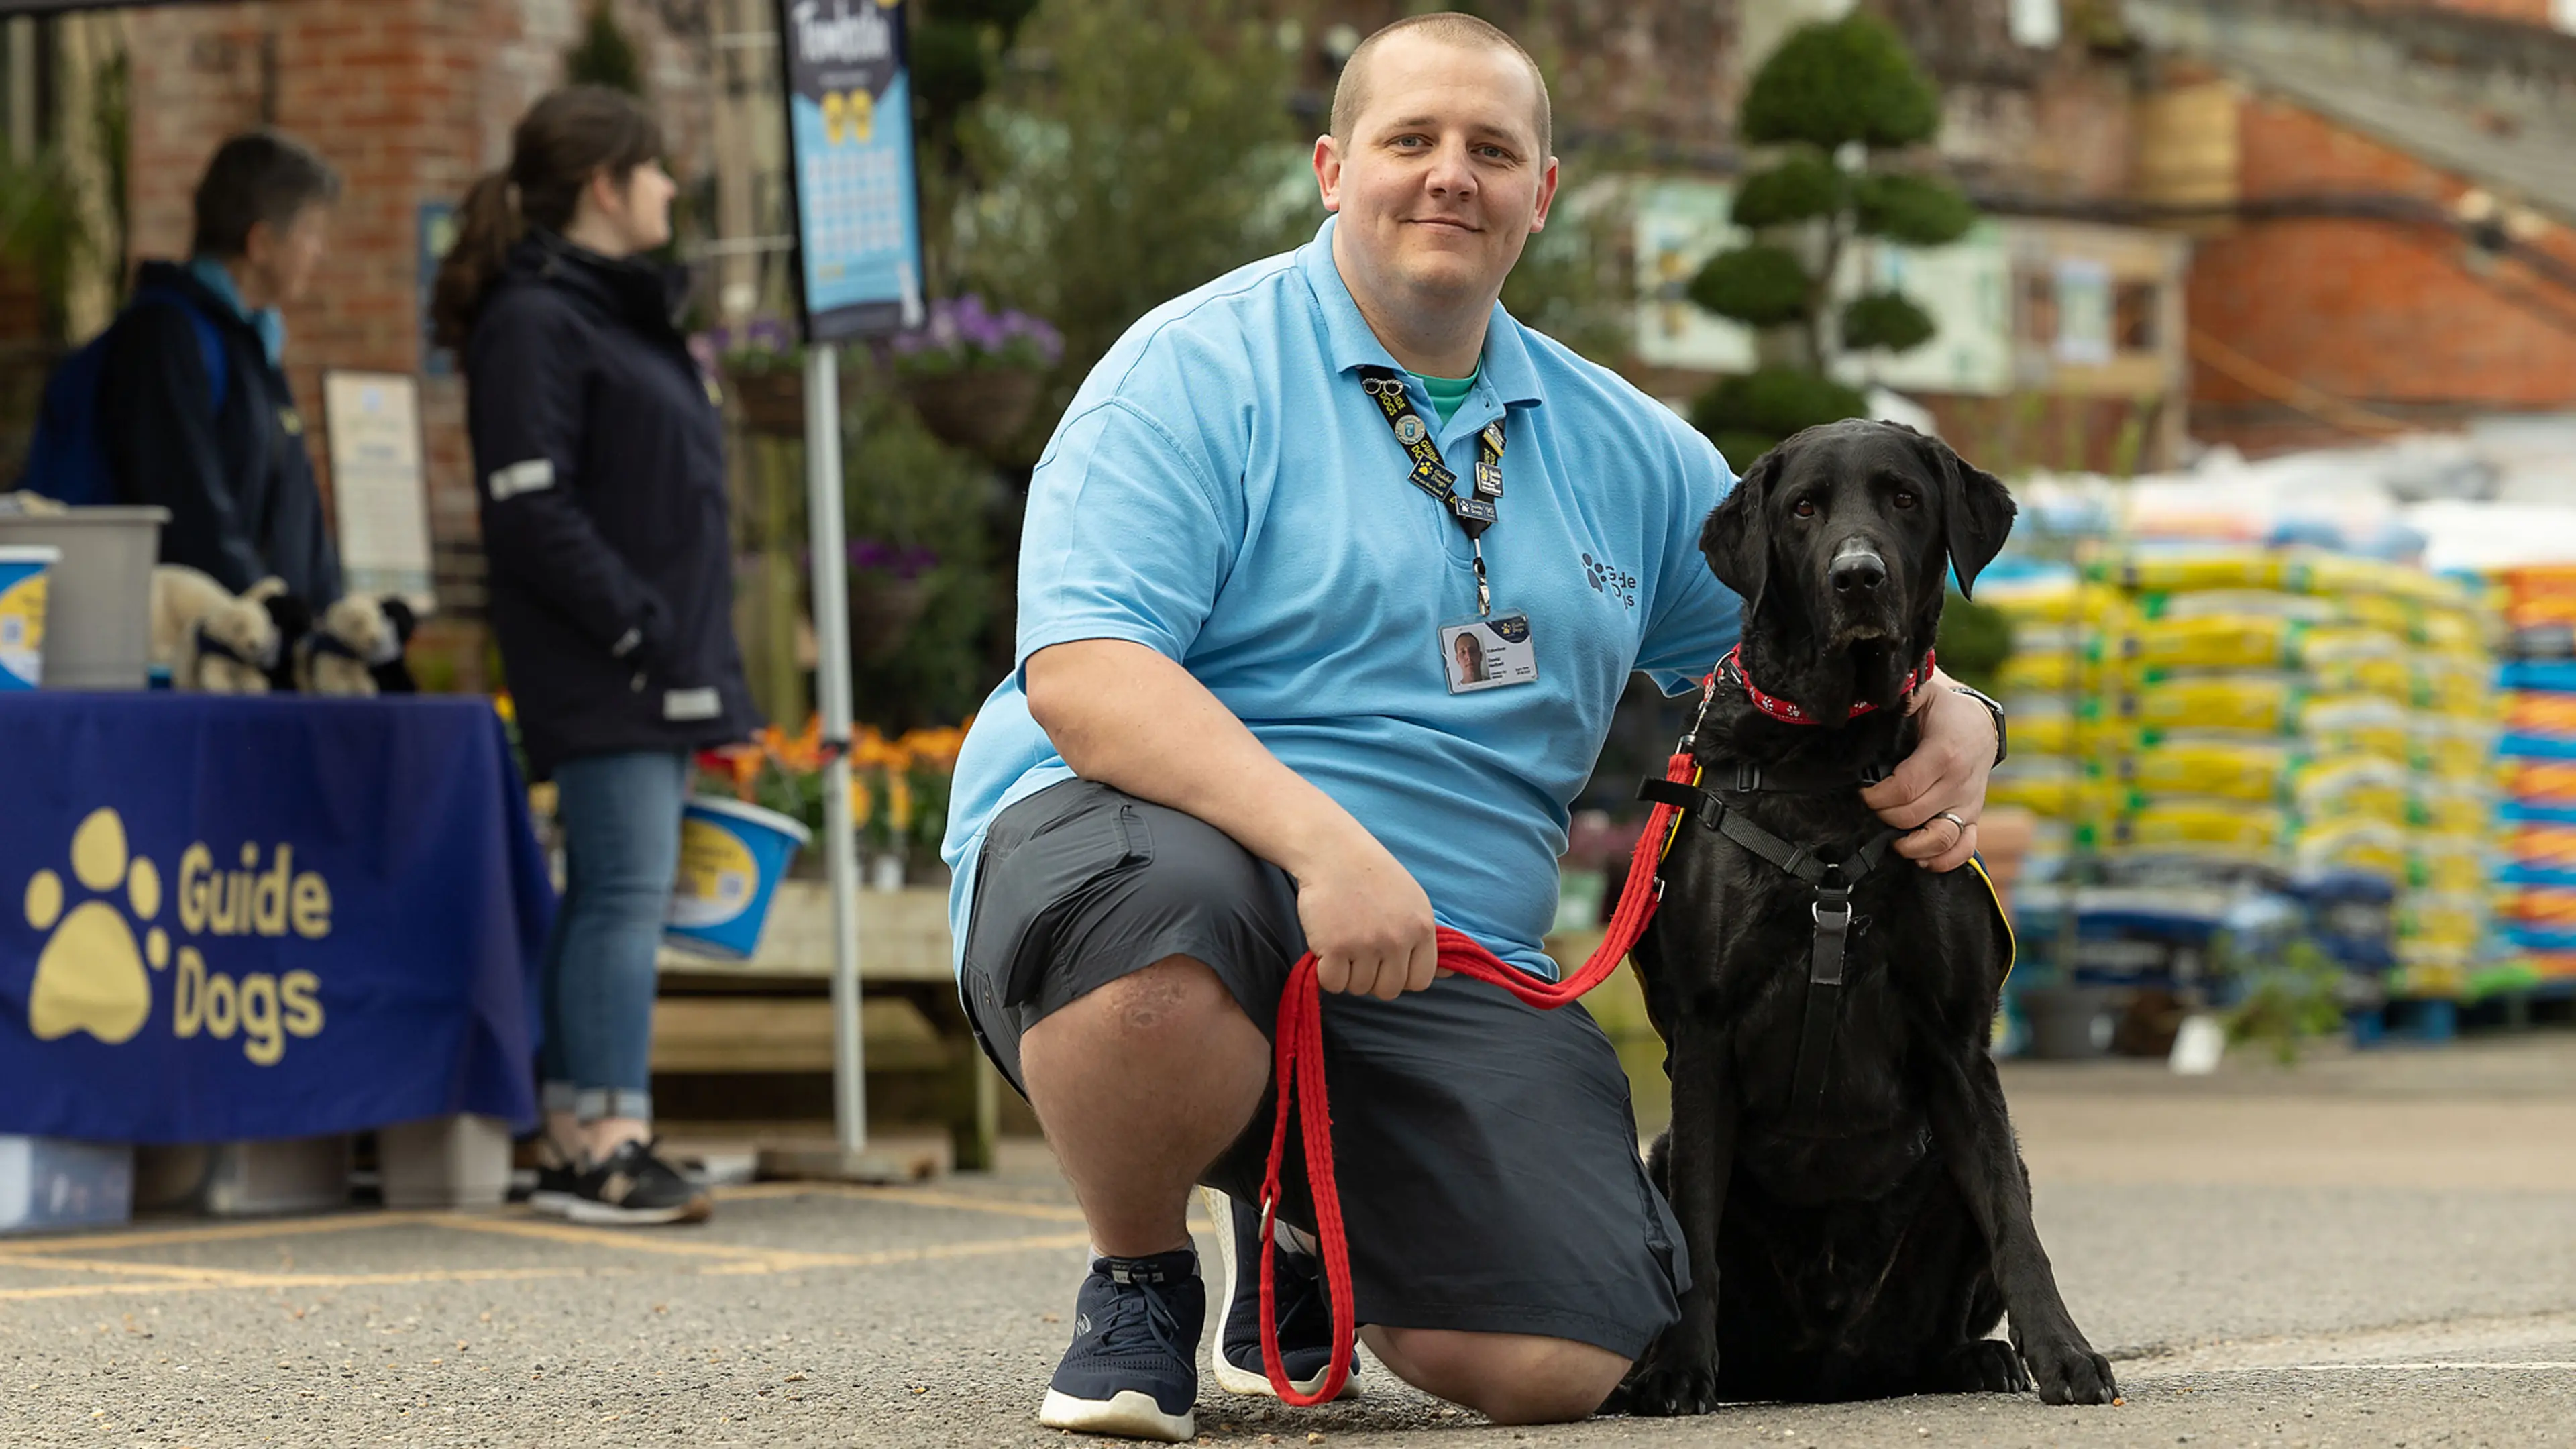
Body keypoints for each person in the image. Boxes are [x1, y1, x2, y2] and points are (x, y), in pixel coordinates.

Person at [936, 13, 2004, 1442]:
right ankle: (1137, 1282)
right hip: (1163, 864)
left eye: (1493, 150)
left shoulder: (1621, 443)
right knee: (1161, 964)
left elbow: (1788, 642)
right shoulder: (1189, 374)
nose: (1452, 177)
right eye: (1412, 141)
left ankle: (1303, 1220)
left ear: (1541, 194)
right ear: (1333, 168)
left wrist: (1964, 715)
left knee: (1565, 1360)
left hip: (1451, 957)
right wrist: (1326, 850)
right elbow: (1086, 672)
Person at [431, 86, 757, 1226]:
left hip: (645, 653)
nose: (673, 188)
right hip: (607, 658)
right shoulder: (537, 320)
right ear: (605, 188)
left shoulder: (609, 312)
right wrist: (637, 626)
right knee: (622, 894)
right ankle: (609, 1140)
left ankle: (578, 1127)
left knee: (610, 895)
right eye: (657, 169)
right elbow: (530, 506)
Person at [101, 129, 343, 612]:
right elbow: (192, 512)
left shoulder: (256, 343)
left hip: (267, 651)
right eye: (311, 233)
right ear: (260, 243)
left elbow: (296, 514)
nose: (321, 252)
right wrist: (264, 619)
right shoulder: (168, 339)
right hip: (207, 655)